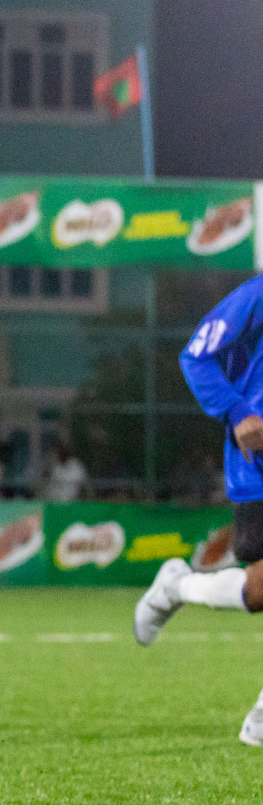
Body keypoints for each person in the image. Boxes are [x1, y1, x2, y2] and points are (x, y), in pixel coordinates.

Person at [135, 277, 263, 744]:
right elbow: (195, 355)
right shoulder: (257, 296)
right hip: (257, 467)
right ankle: (177, 586)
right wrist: (237, 413)